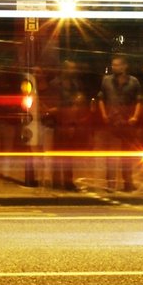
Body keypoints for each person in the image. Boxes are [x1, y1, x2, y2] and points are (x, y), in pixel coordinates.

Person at [97, 55, 142, 192]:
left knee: (127, 155)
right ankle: (110, 183)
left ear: (124, 66)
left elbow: (138, 101)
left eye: (117, 65)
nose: (114, 67)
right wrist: (104, 114)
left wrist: (135, 116)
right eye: (113, 65)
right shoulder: (106, 81)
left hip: (127, 122)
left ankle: (127, 182)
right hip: (111, 121)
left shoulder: (134, 82)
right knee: (110, 155)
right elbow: (101, 98)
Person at [44, 59, 89, 191]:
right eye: (70, 68)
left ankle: (68, 181)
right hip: (59, 123)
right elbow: (52, 104)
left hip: (71, 122)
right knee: (58, 154)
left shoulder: (76, 84)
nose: (73, 71)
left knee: (68, 154)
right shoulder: (55, 84)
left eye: (74, 68)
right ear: (64, 69)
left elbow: (80, 102)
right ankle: (57, 181)